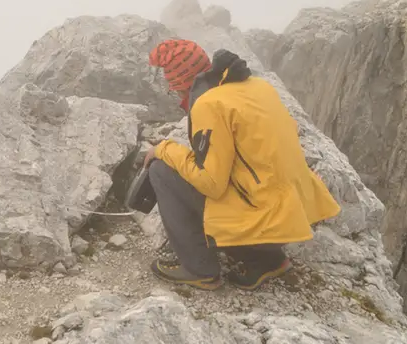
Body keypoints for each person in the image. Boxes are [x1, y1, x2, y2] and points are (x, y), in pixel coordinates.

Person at [138, 39, 341, 291]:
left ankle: (198, 268)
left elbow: (211, 184)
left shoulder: (209, 105)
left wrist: (163, 149)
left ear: (183, 84)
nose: (176, 95)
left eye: (175, 88)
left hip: (262, 220)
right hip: (288, 214)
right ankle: (269, 260)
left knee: (161, 170)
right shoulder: (258, 87)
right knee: (230, 177)